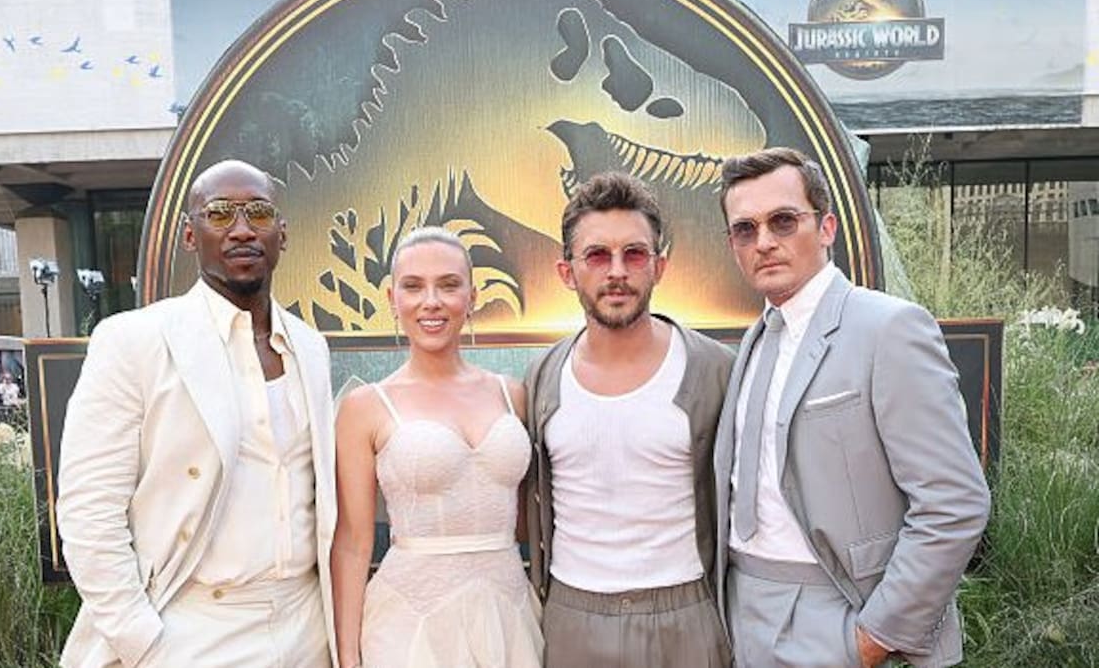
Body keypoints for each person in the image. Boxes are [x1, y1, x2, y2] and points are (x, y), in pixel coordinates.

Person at [714, 147, 991, 667]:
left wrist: (874, 637)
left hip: (838, 612)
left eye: (783, 220)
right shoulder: (756, 339)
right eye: (745, 229)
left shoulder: (889, 328)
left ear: (826, 228)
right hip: (740, 611)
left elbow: (955, 502)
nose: (764, 241)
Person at [56, 160, 336, 667]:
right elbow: (88, 510)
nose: (242, 229)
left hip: (306, 625)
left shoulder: (310, 347)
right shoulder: (134, 341)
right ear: (190, 235)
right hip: (193, 626)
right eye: (220, 214)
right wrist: (142, 641)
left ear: (282, 234)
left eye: (258, 213)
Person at [525, 171, 734, 667]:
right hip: (572, 616)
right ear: (567, 272)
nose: (617, 271)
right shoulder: (542, 378)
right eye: (597, 255)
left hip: (687, 614)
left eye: (634, 254)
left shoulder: (716, 370)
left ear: (659, 266)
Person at [332, 226, 543, 668]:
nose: (431, 301)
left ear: (473, 296)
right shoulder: (365, 406)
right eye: (413, 286)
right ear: (392, 298)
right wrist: (348, 656)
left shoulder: (513, 395)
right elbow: (353, 543)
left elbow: (531, 521)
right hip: (410, 625)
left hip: (509, 615)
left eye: (449, 285)